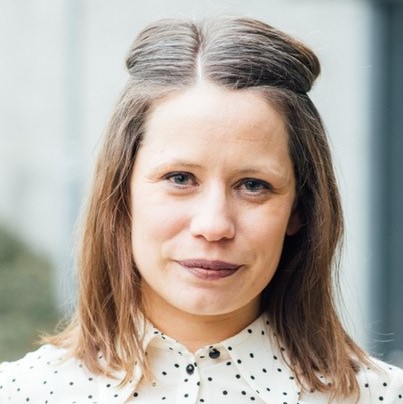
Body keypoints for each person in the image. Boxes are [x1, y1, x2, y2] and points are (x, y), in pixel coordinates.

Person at [0, 16, 402, 404]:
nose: (213, 225)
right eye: (180, 178)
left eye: (253, 185)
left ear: (299, 209)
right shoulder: (21, 394)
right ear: (121, 193)